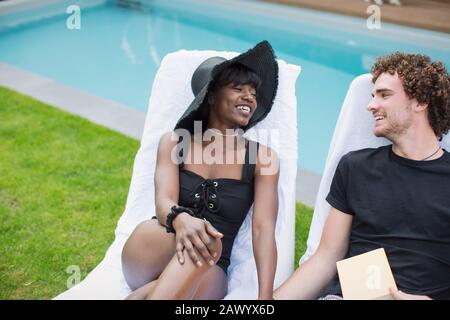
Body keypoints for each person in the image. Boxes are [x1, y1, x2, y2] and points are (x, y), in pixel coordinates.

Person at [274, 52, 450, 300]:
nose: (370, 105)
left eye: (384, 95)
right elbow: (326, 257)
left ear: (420, 101)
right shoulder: (356, 167)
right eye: (372, 96)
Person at [121, 41, 280, 300]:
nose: (249, 97)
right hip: (157, 247)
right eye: (238, 88)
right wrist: (182, 219)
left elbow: (263, 229)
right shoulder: (175, 142)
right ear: (211, 96)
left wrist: (265, 298)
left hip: (211, 266)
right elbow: (163, 201)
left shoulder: (263, 158)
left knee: (207, 242)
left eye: (253, 92)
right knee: (204, 239)